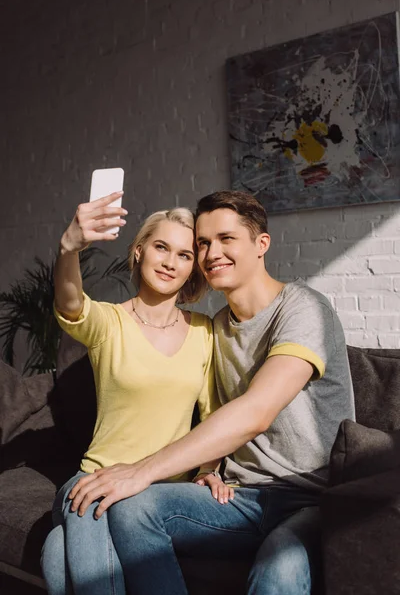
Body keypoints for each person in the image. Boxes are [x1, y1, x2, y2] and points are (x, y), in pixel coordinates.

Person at [57, 190, 355, 595]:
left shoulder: (304, 309)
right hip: (242, 498)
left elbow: (254, 412)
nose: (211, 252)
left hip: (308, 499)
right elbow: (211, 409)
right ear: (140, 252)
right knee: (128, 511)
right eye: (203, 243)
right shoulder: (216, 327)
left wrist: (143, 470)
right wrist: (209, 470)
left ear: (261, 244)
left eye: (226, 239)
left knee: (279, 572)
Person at [41, 191, 231, 595]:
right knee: (87, 510)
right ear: (140, 251)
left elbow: (213, 414)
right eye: (161, 247)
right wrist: (68, 247)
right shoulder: (110, 322)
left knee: (57, 554)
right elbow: (72, 302)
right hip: (95, 480)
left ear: (192, 269)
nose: (169, 261)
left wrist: (208, 470)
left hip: (163, 491)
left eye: (183, 255)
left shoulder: (204, 331)